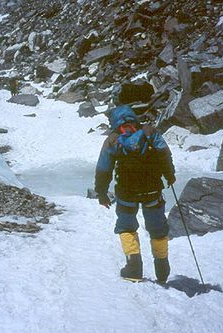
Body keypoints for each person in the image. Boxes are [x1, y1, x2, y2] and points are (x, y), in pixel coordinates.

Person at [94, 103, 176, 283]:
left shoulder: (113, 139)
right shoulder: (149, 133)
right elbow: (164, 155)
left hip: (126, 192)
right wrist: (170, 176)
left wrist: (101, 193)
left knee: (126, 226)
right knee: (157, 227)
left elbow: (103, 169)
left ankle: (133, 268)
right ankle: (162, 267)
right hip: (152, 189)